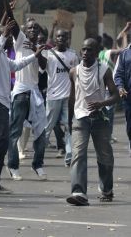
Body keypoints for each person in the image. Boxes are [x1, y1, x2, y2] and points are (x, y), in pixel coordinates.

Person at [0, 21, 42, 196]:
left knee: (1, 142)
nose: (12, 40)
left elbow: (16, 65)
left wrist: (35, 55)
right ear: (0, 37)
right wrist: (4, 36)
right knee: (0, 141)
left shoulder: (2, 56)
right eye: (8, 36)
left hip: (1, 101)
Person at [66, 38, 119, 206]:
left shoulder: (104, 71)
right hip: (80, 118)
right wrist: (69, 119)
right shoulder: (74, 71)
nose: (85, 53)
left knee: (105, 156)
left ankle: (106, 189)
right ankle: (79, 192)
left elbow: (115, 95)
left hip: (99, 118)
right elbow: (72, 97)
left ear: (96, 53)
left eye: (89, 50)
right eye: (83, 49)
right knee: (78, 155)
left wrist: (101, 104)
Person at [7, 17, 49, 181]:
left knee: (41, 132)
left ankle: (37, 165)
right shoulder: (20, 40)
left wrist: (35, 51)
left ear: (39, 32)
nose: (32, 30)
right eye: (29, 28)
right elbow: (12, 21)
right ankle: (13, 166)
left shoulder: (41, 47)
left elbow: (44, 66)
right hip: (20, 92)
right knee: (15, 131)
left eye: (35, 28)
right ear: (25, 31)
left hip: (35, 93)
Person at [44, 29, 77, 167]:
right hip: (52, 97)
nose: (61, 38)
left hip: (68, 97)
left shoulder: (73, 55)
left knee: (69, 126)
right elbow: (41, 70)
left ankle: (69, 155)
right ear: (55, 39)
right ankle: (38, 152)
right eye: (58, 36)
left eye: (64, 36)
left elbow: (76, 76)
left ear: (68, 38)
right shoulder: (48, 55)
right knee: (47, 126)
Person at [114, 35, 131, 157]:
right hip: (128, 98)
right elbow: (118, 74)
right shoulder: (124, 54)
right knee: (130, 127)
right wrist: (120, 87)